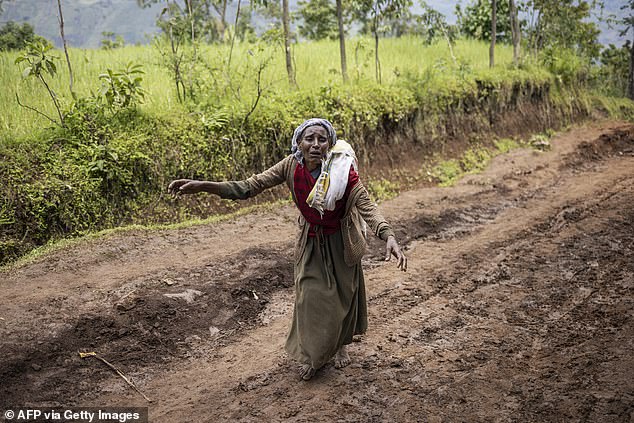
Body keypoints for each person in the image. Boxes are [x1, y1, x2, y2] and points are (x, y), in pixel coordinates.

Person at [168, 118, 407, 381]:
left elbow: (367, 205)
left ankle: (341, 345)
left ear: (330, 144)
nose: (315, 144)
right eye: (309, 139)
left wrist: (388, 235)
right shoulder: (290, 166)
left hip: (341, 240)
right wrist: (204, 186)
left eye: (322, 139)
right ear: (299, 143)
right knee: (308, 296)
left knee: (342, 297)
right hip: (311, 240)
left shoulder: (343, 171)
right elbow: (248, 186)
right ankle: (314, 356)